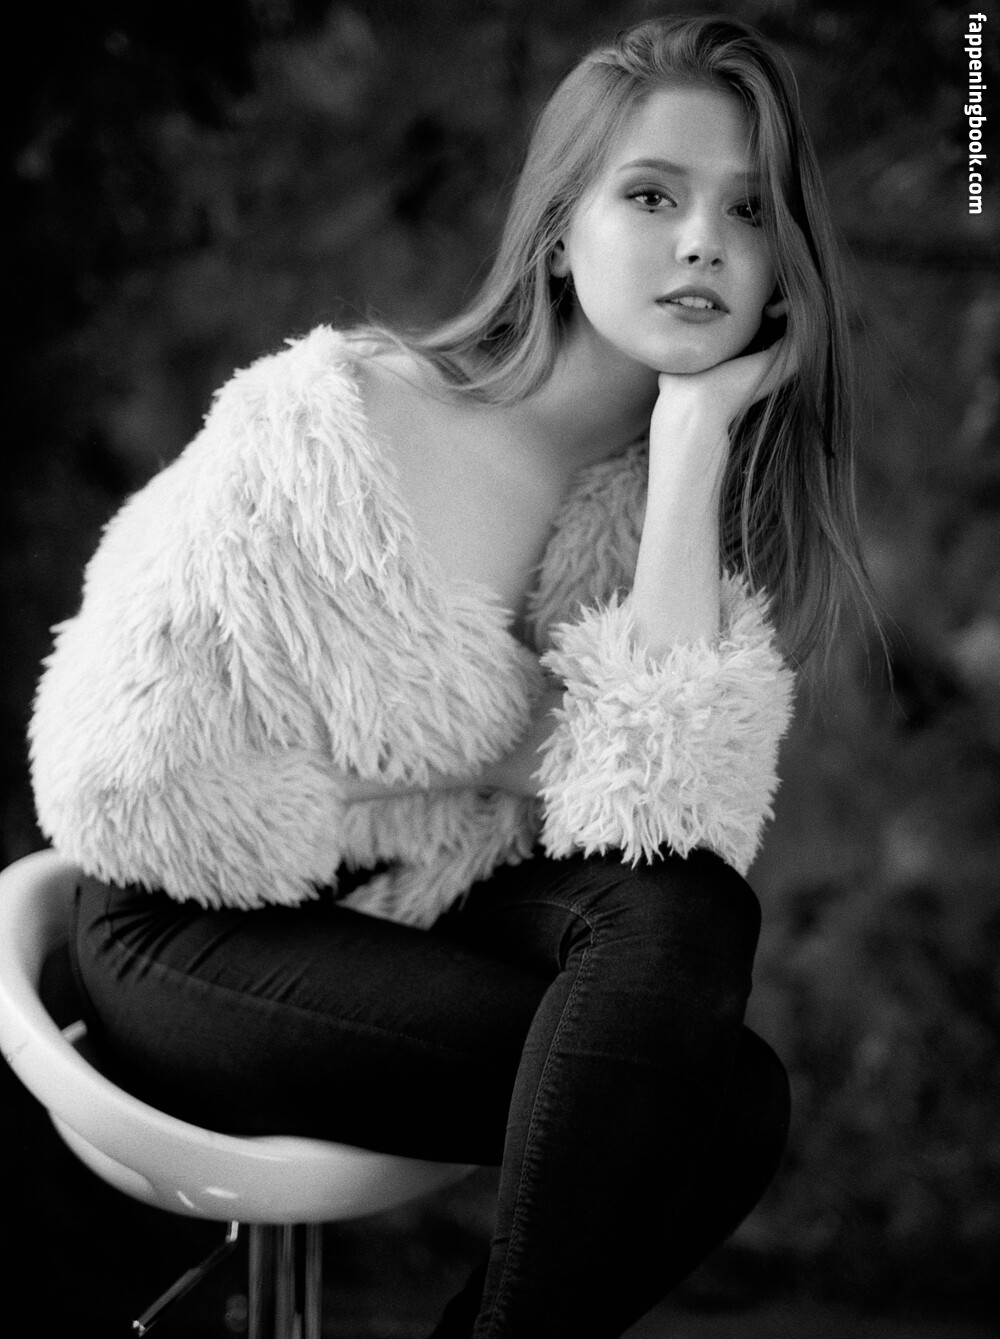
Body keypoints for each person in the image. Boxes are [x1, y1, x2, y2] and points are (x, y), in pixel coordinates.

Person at [28, 14, 876, 1338]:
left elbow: (661, 828)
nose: (704, 241)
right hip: (184, 929)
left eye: (751, 210)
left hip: (412, 918)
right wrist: (393, 785)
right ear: (560, 231)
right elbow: (113, 763)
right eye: (653, 195)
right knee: (709, 1103)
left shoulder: (657, 508)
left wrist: (695, 439)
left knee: (694, 946)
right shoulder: (345, 423)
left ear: (783, 267)